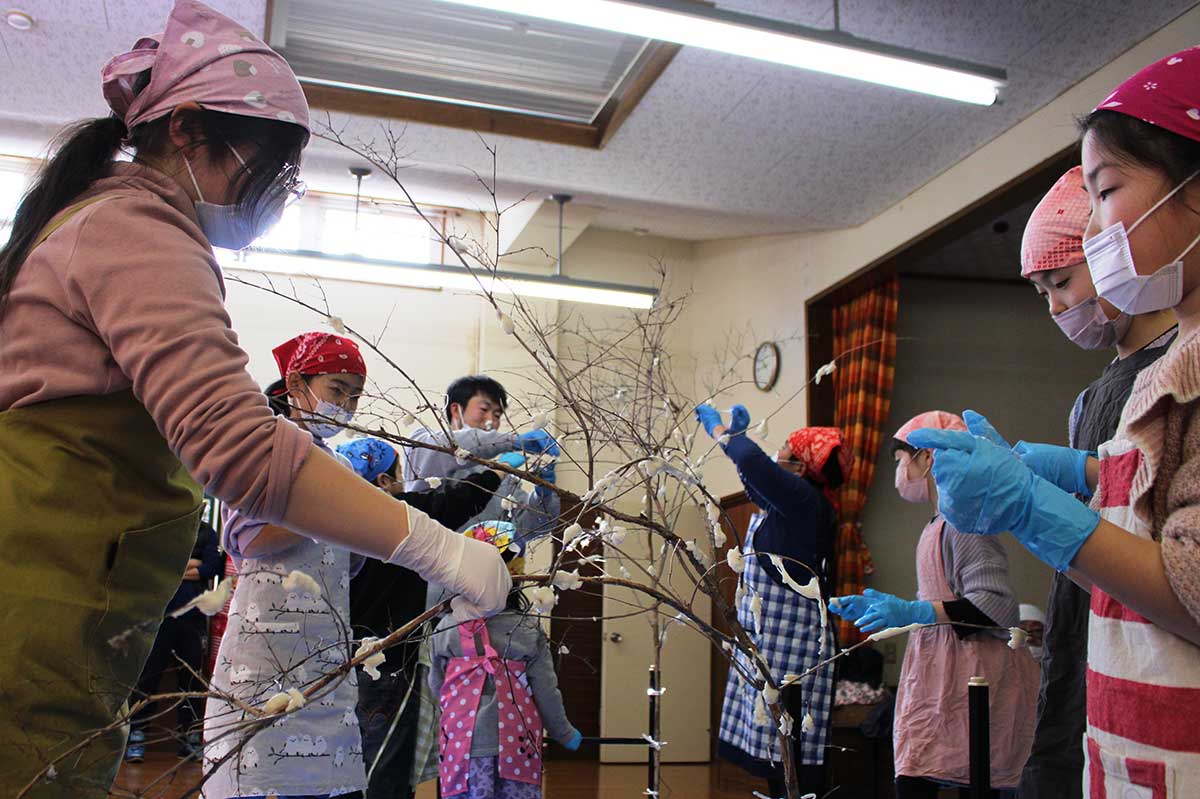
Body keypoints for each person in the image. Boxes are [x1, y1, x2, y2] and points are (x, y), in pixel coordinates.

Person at [0, 2, 508, 793]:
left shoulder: (112, 219)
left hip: (63, 609)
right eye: (267, 162)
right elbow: (241, 455)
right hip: (32, 608)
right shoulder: (135, 229)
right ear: (187, 130)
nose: (279, 189)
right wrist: (439, 547)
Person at [909, 49, 1200, 794]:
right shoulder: (1171, 371)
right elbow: (1167, 493)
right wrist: (1070, 470)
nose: (1095, 225)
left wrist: (1034, 507)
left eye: (1104, 191)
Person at [1016, 167, 1176, 799]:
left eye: (1061, 281)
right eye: (1042, 293)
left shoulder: (1173, 370)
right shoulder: (1091, 397)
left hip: (1145, 652)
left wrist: (1034, 508)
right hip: (1079, 646)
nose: (1055, 306)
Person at [203, 332, 378, 798]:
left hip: (326, 661)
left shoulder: (339, 464)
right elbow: (246, 538)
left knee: (324, 785)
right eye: (337, 389)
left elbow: (350, 563)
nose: (346, 405)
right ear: (297, 383)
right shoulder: (268, 447)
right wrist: (332, 513)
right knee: (262, 781)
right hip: (266, 660)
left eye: (355, 396)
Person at [831, 411, 1037, 798]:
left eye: (900, 461)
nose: (900, 472)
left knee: (965, 778)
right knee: (918, 769)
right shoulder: (939, 523)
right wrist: (896, 610)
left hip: (973, 678)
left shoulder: (966, 524)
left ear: (927, 457)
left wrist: (920, 613)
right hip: (940, 670)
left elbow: (996, 608)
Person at [406, 375, 561, 793]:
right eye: (484, 410)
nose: (492, 421)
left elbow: (528, 530)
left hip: (499, 609)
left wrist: (547, 490)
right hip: (441, 610)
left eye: (498, 413)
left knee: (498, 722)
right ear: (456, 411)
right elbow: (447, 448)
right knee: (451, 728)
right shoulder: (432, 453)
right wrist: (511, 443)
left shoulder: (507, 475)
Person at [338, 437, 501, 799]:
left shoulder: (333, 521)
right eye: (396, 476)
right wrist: (497, 469)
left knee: (345, 762)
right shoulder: (393, 513)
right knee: (388, 764)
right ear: (382, 482)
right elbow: (454, 502)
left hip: (340, 663)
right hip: (391, 662)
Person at [695, 403, 843, 799]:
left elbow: (752, 462)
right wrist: (732, 443)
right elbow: (754, 476)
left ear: (801, 468)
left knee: (790, 766)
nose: (777, 456)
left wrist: (723, 433)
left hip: (792, 657)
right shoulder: (788, 505)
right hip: (771, 650)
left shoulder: (805, 503)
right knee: (777, 767)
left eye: (784, 452)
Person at [429, 521, 581, 799]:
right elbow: (546, 690)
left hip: (461, 742)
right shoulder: (526, 630)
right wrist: (563, 732)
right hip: (517, 744)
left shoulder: (445, 630)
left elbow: (437, 687)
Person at [126, 518, 225, 764]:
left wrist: (178, 569)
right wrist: (192, 565)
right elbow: (154, 566)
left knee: (190, 681)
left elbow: (212, 567)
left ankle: (188, 738)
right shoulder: (164, 527)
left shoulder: (207, 532)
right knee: (147, 678)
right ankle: (136, 738)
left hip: (193, 619)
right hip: (159, 617)